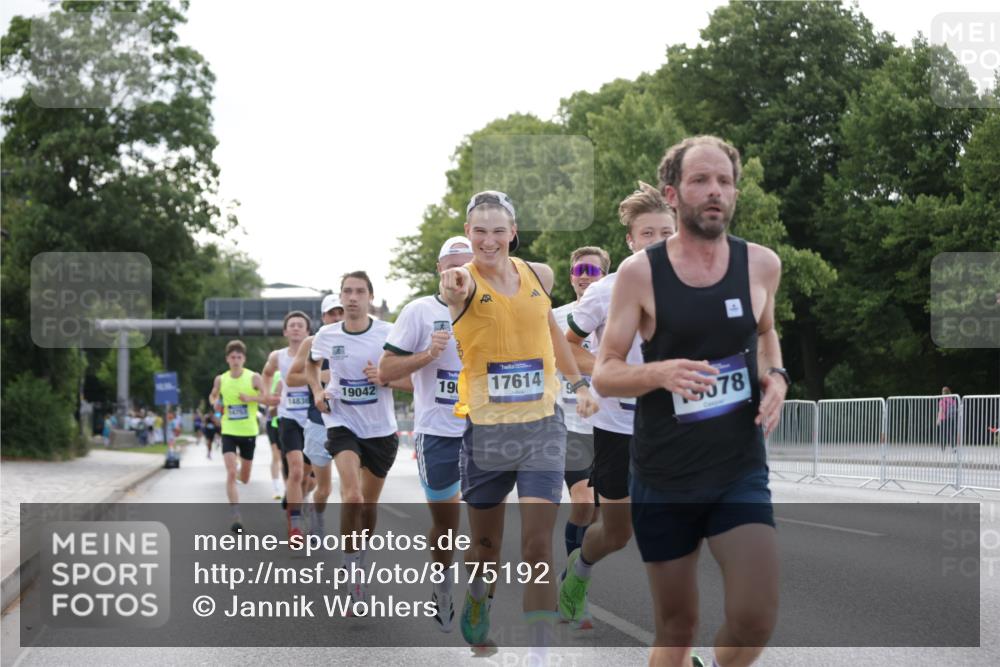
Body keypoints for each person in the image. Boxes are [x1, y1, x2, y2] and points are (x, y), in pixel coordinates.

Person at [593, 136, 786, 667]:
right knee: (677, 629)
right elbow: (605, 373)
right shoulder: (639, 274)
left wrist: (777, 377)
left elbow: (767, 335)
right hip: (664, 476)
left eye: (724, 180)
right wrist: (660, 371)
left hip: (738, 468)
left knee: (754, 617)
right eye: (701, 180)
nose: (715, 191)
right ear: (672, 193)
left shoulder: (762, 265)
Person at [439, 190, 598, 654]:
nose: (489, 241)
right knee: (485, 547)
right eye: (479, 231)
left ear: (513, 232)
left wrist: (579, 384)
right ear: (469, 234)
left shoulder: (538, 275)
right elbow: (454, 288)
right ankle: (475, 598)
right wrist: (454, 286)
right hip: (488, 432)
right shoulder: (461, 282)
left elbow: (552, 333)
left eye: (498, 230)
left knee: (536, 547)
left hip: (543, 426)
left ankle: (539, 654)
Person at [558, 183, 676, 626]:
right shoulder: (607, 290)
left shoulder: (700, 284)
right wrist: (610, 373)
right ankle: (580, 570)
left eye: (667, 231)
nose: (659, 241)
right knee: (617, 533)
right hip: (617, 430)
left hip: (674, 428)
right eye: (648, 234)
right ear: (630, 240)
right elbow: (565, 348)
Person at [291, 271, 411, 609]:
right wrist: (317, 390)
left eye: (359, 291)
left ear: (370, 297)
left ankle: (361, 554)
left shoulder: (389, 333)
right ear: (341, 298)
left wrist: (386, 378)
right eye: (347, 291)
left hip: (380, 430)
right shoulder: (327, 336)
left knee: (368, 506)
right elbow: (311, 366)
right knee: (353, 496)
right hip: (341, 422)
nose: (353, 297)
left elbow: (416, 378)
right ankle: (350, 565)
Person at [379, 236, 475, 633]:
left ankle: (480, 600)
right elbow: (385, 371)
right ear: (439, 270)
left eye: (466, 266)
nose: (458, 273)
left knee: (489, 520)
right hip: (438, 431)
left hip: (486, 428)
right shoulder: (419, 311)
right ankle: (441, 582)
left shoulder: (496, 307)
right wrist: (428, 355)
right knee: (448, 522)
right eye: (451, 265)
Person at [551, 245, 611, 629]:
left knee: (605, 518)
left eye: (592, 270)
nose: (585, 276)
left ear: (605, 274)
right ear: (572, 276)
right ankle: (578, 587)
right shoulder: (556, 319)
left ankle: (572, 577)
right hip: (568, 424)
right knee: (583, 503)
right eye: (579, 271)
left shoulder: (621, 314)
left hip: (610, 428)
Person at [262, 312, 314, 541]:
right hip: (288, 418)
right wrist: (266, 395)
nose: (295, 328)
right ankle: (294, 523)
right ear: (285, 331)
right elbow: (266, 373)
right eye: (291, 325)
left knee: (310, 478)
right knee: (295, 470)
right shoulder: (277, 356)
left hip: (313, 418)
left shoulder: (315, 353)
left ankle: (296, 503)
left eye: (299, 325)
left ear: (307, 331)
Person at [208, 339, 268, 533]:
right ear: (227, 359)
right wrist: (215, 402)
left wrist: (251, 398)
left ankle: (242, 468)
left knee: (245, 477)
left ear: (244, 359)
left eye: (239, 357)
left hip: (249, 431)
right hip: (229, 431)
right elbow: (213, 395)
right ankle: (236, 515)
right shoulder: (221, 379)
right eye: (232, 357)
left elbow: (266, 398)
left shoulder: (254, 378)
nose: (235, 360)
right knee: (232, 472)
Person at [298, 293, 345, 539]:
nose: (337, 317)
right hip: (319, 421)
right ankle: (316, 517)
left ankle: (354, 542)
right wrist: (319, 380)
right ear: (323, 317)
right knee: (324, 488)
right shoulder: (312, 343)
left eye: (340, 312)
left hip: (350, 421)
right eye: (331, 313)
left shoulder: (359, 339)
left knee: (352, 490)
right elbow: (293, 377)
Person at [265, 371, 285, 499]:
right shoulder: (274, 374)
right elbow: (267, 397)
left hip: (289, 421)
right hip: (273, 420)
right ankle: (277, 488)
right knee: (276, 455)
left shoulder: (299, 370)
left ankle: (288, 487)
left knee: (286, 458)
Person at [937, 386, 958, 451]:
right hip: (951, 418)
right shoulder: (953, 400)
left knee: (943, 434)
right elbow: (955, 410)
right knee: (952, 433)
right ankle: (953, 447)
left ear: (943, 392)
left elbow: (940, 410)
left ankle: (943, 448)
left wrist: (938, 420)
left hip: (943, 418)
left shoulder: (942, 400)